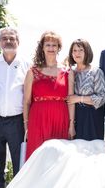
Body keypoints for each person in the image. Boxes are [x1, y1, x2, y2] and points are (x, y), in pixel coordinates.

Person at [0, 27, 29, 188]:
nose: (9, 41)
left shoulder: (28, 65)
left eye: (12, 38)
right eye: (5, 38)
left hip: (17, 121)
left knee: (20, 162)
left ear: (18, 42)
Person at [23, 31, 75, 159]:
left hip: (61, 118)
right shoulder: (32, 71)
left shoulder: (68, 72)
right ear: (42, 48)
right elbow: (27, 101)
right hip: (38, 120)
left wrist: (71, 125)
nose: (51, 48)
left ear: (58, 48)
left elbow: (71, 100)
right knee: (37, 158)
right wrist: (26, 126)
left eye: (54, 45)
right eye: (48, 45)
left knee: (58, 160)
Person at [66, 39, 105, 140]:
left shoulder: (95, 71)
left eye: (81, 50)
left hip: (91, 117)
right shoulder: (70, 72)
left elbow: (102, 97)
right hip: (73, 116)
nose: (77, 53)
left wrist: (79, 99)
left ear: (87, 52)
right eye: (74, 50)